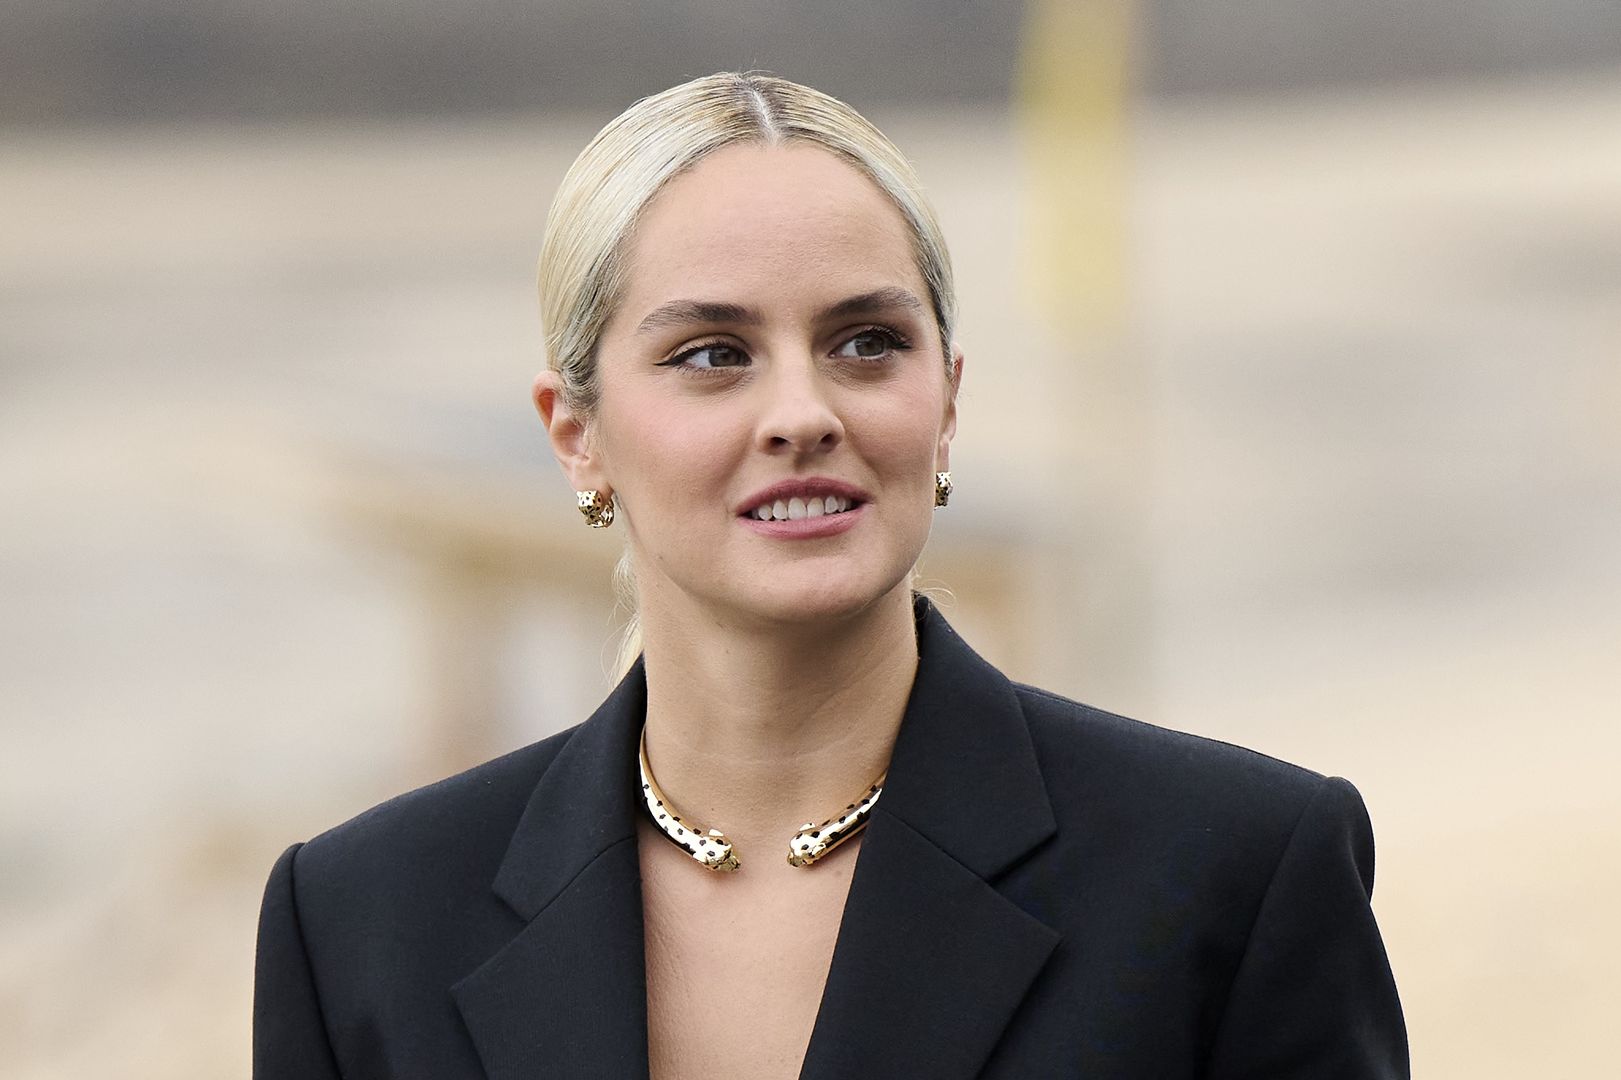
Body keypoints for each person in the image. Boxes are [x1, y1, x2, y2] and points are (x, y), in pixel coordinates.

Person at [253, 72, 1408, 1079]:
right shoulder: (357, 923)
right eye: (713, 354)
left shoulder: (1235, 875)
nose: (802, 414)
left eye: (866, 343)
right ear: (576, 435)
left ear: (946, 401)